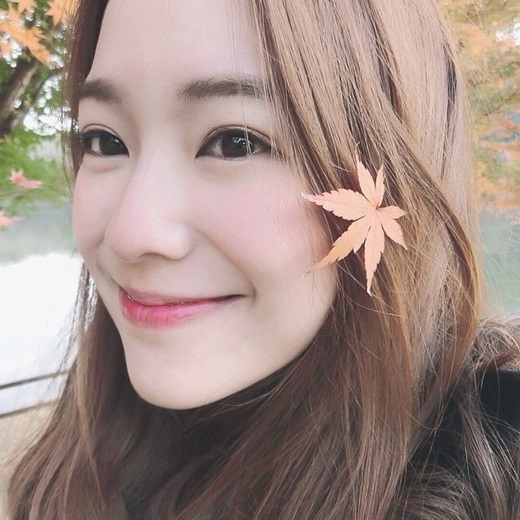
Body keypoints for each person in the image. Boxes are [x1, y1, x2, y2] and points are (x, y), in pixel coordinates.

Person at [8, 0, 520, 518]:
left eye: (235, 143)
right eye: (104, 140)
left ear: (395, 176)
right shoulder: (90, 438)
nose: (130, 234)